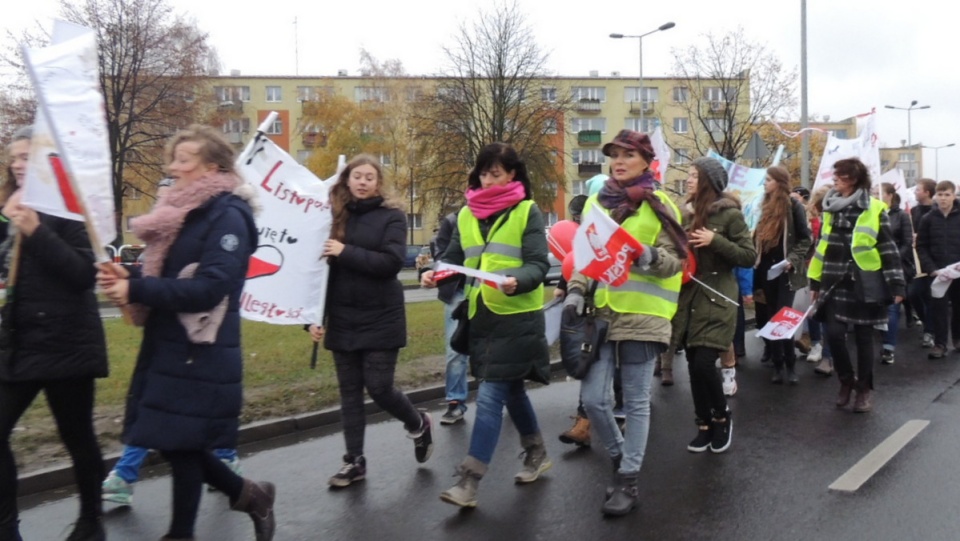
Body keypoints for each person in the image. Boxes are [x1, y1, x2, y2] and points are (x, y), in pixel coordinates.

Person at [98, 124, 275, 541]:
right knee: (179, 445)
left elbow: (211, 286)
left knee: (181, 444)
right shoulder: (185, 212)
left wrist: (137, 288)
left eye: (184, 160)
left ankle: (184, 532)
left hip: (202, 349)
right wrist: (128, 273)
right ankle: (249, 496)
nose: (173, 167)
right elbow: (174, 270)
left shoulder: (229, 214)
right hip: (171, 346)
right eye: (172, 159)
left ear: (212, 166)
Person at [421, 142, 551, 509]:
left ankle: (469, 479)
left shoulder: (527, 212)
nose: (488, 179)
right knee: (511, 392)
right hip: (481, 319)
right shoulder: (466, 215)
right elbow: (452, 259)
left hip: (517, 318)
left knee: (492, 395)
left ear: (512, 174)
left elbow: (539, 265)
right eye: (484, 173)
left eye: (496, 173)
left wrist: (517, 280)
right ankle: (536, 452)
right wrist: (436, 274)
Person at [567, 130, 686, 515]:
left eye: (628, 155)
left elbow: (675, 261)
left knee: (635, 401)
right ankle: (622, 459)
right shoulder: (597, 206)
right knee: (594, 400)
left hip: (645, 315)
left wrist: (644, 254)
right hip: (601, 314)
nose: (618, 161)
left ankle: (629, 480)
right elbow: (587, 257)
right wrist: (574, 290)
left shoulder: (661, 203)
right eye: (614, 155)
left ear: (646, 162)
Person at [0, 128, 108, 541]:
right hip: (20, 343)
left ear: (48, 161)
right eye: (15, 158)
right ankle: (6, 526)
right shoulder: (10, 205)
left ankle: (91, 520)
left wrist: (36, 231)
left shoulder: (72, 206)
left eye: (28, 156)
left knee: (77, 436)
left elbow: (83, 274)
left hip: (67, 343)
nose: (19, 164)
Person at [305, 155, 434, 487]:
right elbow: (318, 274)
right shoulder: (333, 219)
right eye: (356, 176)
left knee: (379, 387)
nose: (362, 182)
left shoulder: (392, 216)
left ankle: (418, 423)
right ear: (346, 181)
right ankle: (354, 462)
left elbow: (391, 263)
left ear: (378, 183)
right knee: (349, 393)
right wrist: (312, 319)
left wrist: (344, 251)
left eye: (369, 177)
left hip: (381, 316)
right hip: (343, 318)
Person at [808, 158, 905, 413]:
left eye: (841, 176)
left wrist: (896, 283)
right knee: (834, 335)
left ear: (854, 180)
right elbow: (822, 246)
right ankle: (846, 380)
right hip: (833, 279)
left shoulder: (874, 208)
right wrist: (814, 281)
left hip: (865, 282)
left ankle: (863, 389)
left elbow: (888, 248)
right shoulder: (830, 206)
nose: (835, 180)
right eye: (836, 176)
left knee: (863, 338)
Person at [673, 157, 756, 454]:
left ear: (708, 181)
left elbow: (748, 256)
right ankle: (703, 424)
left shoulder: (729, 215)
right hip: (690, 297)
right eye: (689, 175)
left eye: (695, 175)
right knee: (694, 364)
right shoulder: (684, 214)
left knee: (704, 362)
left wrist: (714, 240)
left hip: (719, 295)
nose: (690, 179)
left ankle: (722, 417)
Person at [555, 194, 626, 447]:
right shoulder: (595, 224)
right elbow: (580, 259)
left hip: (625, 310)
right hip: (595, 309)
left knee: (621, 367)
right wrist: (569, 288)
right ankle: (584, 424)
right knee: (589, 365)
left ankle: (624, 412)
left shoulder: (633, 220)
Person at [752, 166, 811, 384]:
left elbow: (805, 239)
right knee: (769, 317)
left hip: (786, 270)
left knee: (782, 317)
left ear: (779, 182)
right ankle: (777, 365)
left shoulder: (793, 205)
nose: (765, 184)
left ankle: (790, 364)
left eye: (768, 180)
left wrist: (792, 260)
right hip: (765, 269)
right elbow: (757, 239)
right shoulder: (763, 206)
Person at [916, 180, 960, 359]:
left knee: (958, 307)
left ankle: (957, 338)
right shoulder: (928, 219)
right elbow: (921, 246)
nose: (943, 198)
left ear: (954, 195)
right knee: (938, 309)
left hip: (958, 271)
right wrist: (931, 269)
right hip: (937, 273)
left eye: (947, 194)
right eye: (940, 195)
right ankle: (940, 344)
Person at [433, 211, 470, 425]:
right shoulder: (452, 221)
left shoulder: (499, 217)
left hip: (488, 289)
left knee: (491, 347)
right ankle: (455, 402)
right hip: (457, 291)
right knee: (455, 349)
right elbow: (441, 255)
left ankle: (503, 395)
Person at [878, 182, 914, 364]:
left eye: (880, 193)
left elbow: (907, 242)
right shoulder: (870, 214)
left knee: (892, 307)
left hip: (895, 267)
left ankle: (888, 347)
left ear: (890, 195)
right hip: (874, 268)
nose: (876, 196)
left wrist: (891, 258)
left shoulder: (901, 216)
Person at [805, 186, 834, 376]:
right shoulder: (825, 221)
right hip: (822, 274)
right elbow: (819, 251)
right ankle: (825, 354)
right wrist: (815, 282)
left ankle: (829, 356)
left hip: (840, 276)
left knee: (832, 320)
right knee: (821, 315)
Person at [909, 178, 937, 348]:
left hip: (932, 259)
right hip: (917, 259)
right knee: (913, 294)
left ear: (927, 192)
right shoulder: (913, 211)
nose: (915, 192)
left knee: (930, 297)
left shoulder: (936, 212)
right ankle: (928, 325)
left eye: (918, 189)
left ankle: (930, 331)